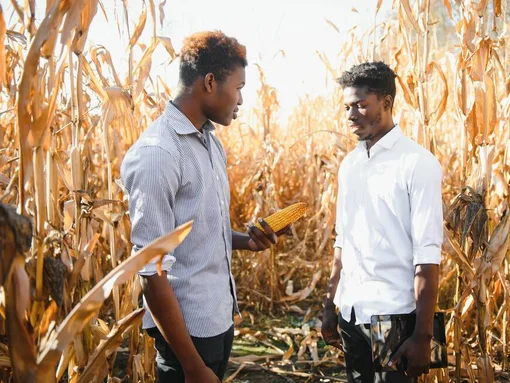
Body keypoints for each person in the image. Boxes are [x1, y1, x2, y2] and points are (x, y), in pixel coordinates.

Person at [121, 31, 283, 383]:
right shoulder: (158, 154)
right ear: (210, 82)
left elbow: (196, 228)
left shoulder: (209, 142)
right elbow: (151, 270)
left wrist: (244, 240)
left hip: (217, 319)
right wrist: (192, 365)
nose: (241, 99)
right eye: (238, 87)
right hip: (186, 337)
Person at [321, 61, 443, 383]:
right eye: (348, 107)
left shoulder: (417, 163)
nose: (351, 115)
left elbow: (428, 256)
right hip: (351, 312)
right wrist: (330, 305)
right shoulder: (350, 165)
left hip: (393, 315)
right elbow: (342, 241)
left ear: (386, 103)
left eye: (361, 105)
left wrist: (423, 336)